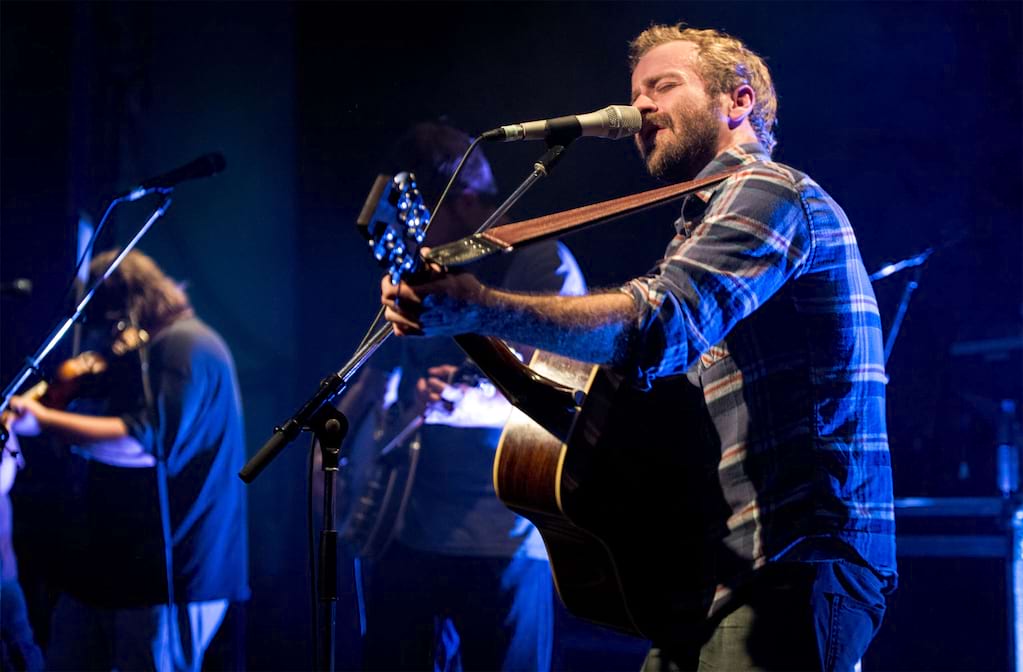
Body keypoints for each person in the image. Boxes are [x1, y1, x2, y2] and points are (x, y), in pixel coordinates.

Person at [381, 24, 897, 672]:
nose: (638, 109)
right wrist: (458, 321)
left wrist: (480, 306)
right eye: (633, 93)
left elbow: (658, 326)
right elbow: (614, 421)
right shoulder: (699, 226)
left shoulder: (769, 192)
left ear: (736, 101)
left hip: (793, 559)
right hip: (721, 568)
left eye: (662, 86)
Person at [340, 121, 586, 671]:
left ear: (468, 198)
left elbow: (559, 391)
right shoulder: (424, 264)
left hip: (502, 531)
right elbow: (382, 376)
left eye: (430, 218)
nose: (421, 239)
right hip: (406, 526)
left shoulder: (540, 263)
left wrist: (456, 399)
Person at [6, 249, 250, 671]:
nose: (102, 337)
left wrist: (47, 422)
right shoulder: (150, 351)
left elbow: (142, 444)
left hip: (167, 574)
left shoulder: (184, 346)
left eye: (105, 321)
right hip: (108, 568)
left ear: (127, 307)